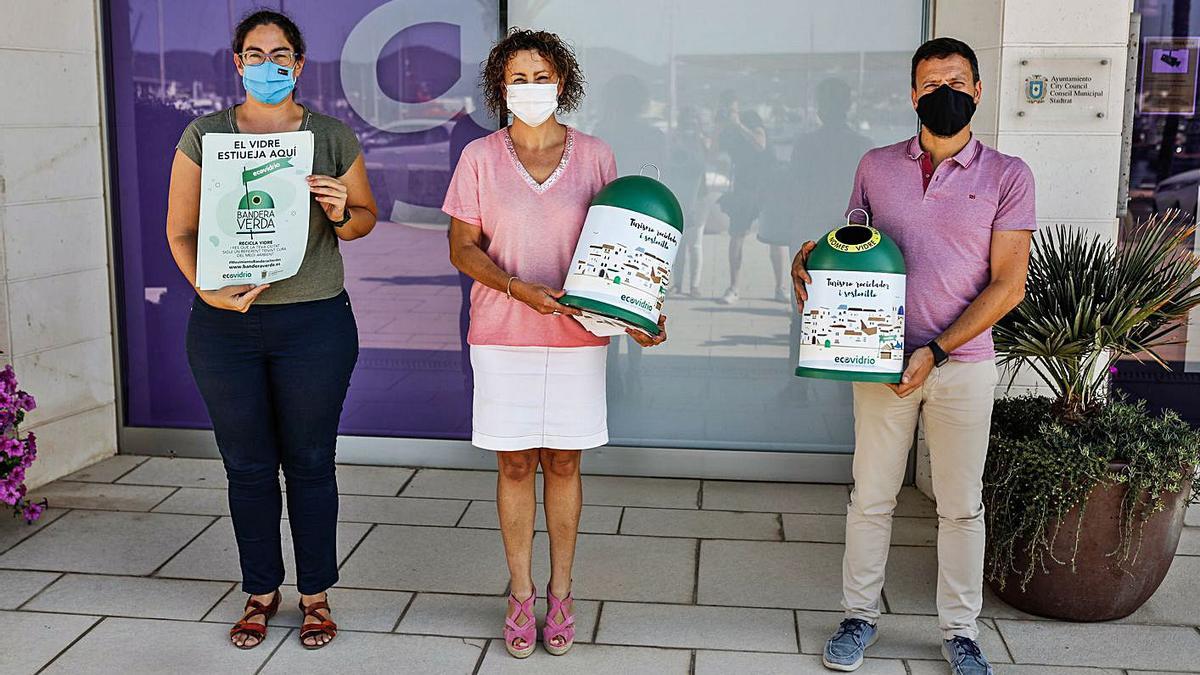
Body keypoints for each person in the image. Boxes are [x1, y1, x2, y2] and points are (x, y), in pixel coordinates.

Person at [792, 38, 1035, 675]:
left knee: (960, 503)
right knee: (870, 496)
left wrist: (937, 349)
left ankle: (960, 631)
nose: (944, 94)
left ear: (978, 92)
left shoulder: (1009, 175)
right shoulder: (875, 166)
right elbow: (852, 247)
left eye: (956, 82)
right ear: (912, 96)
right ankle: (857, 617)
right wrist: (809, 260)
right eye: (931, 85)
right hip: (877, 360)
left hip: (964, 363)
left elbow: (1009, 283)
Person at [445, 28, 667, 659]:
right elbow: (461, 247)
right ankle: (520, 593)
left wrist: (642, 313)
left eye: (543, 76)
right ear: (500, 86)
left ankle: (562, 593)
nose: (532, 88)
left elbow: (621, 251)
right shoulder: (480, 158)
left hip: (576, 336)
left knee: (564, 462)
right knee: (514, 462)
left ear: (563, 83)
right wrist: (518, 288)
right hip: (501, 332)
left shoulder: (596, 156)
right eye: (519, 77)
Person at [166, 9, 377, 651]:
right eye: (253, 55)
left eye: (279, 55)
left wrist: (344, 211)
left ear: (299, 64)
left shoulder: (331, 136)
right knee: (248, 467)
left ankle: (316, 595)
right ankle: (261, 590)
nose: (267, 66)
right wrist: (208, 290)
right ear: (237, 63)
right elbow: (180, 230)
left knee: (311, 461)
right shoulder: (204, 135)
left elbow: (367, 219)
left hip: (313, 323)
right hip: (224, 328)